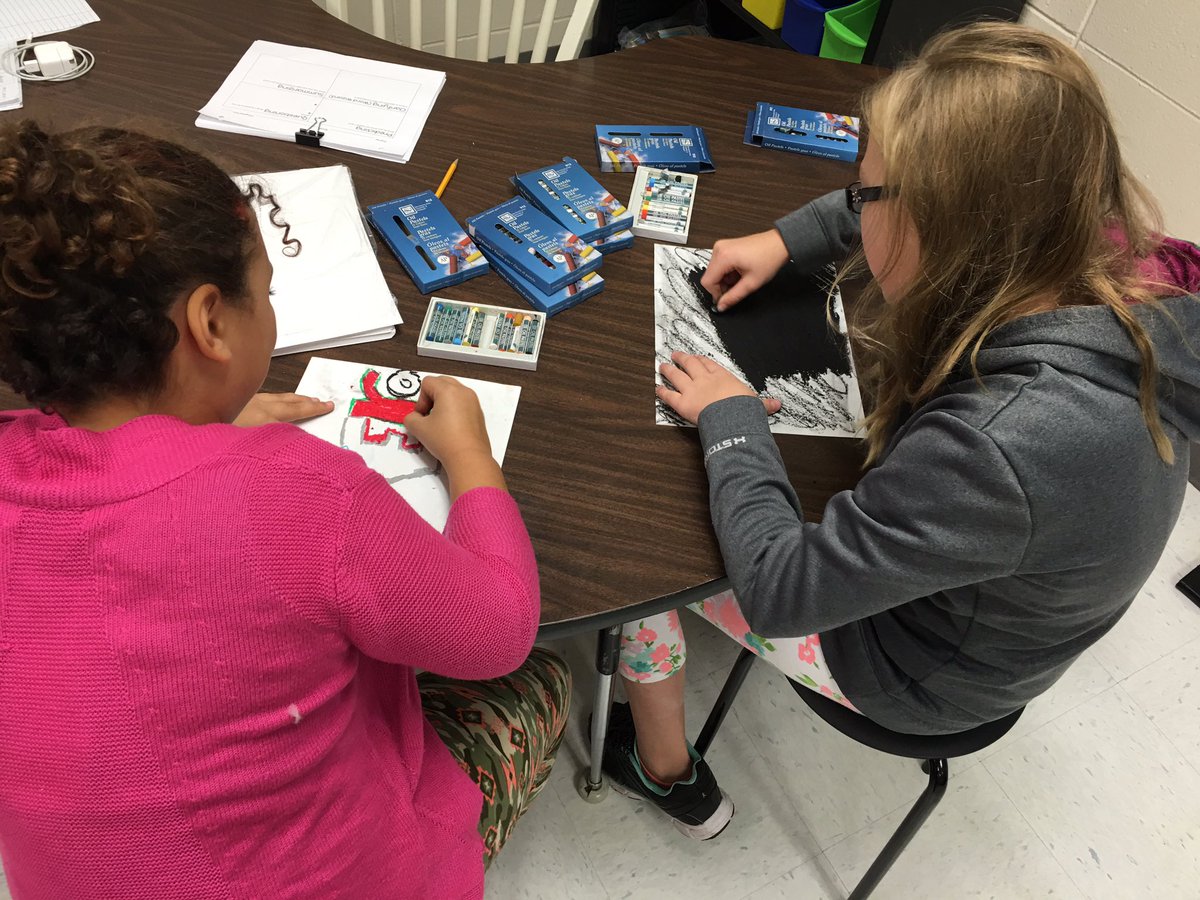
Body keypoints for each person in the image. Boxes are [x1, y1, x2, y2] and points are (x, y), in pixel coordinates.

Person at [603, 21, 1200, 841]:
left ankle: (663, 770)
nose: (858, 205)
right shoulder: (1090, 252)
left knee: (637, 568)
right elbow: (895, 210)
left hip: (916, 677)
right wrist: (787, 239)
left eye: (870, 193)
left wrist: (734, 421)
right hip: (1001, 624)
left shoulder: (1001, 446)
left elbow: (781, 592)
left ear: (944, 224)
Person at [0, 122, 570, 899]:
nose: (267, 305)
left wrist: (189, 432)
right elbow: (500, 629)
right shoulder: (296, 490)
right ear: (209, 324)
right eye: (265, 293)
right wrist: (470, 455)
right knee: (541, 676)